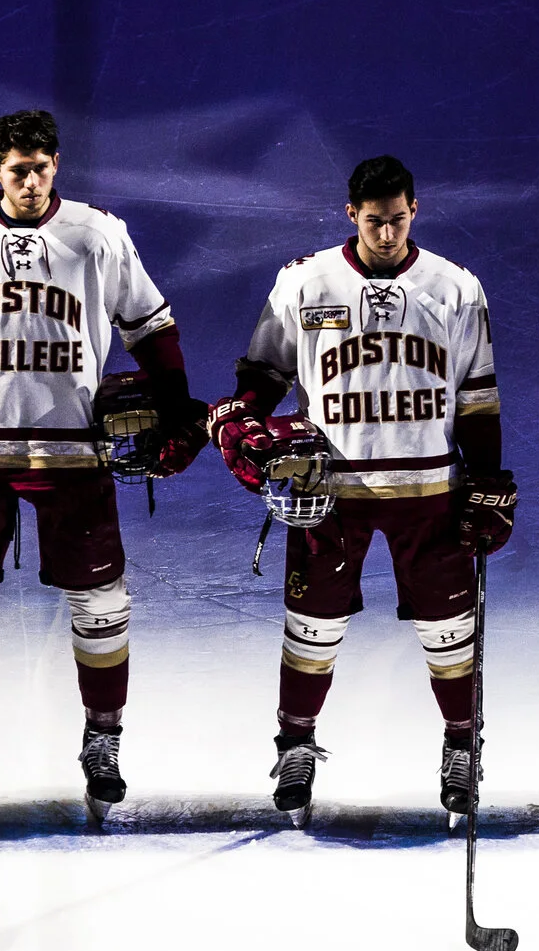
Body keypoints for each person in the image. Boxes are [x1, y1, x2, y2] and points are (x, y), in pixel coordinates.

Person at [0, 108, 207, 820]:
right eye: (17, 168)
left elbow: (151, 325)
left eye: (42, 167)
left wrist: (179, 407)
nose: (31, 181)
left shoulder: (97, 234)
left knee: (103, 603)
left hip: (71, 450)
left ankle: (102, 738)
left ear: (57, 165)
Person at [210, 154, 514, 825]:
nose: (386, 233)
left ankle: (462, 744)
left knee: (449, 631)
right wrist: (241, 416)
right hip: (331, 489)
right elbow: (263, 375)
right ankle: (295, 745)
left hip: (430, 485)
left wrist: (488, 479)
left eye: (398, 219)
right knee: (312, 629)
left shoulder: (457, 287)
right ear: (351, 213)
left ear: (416, 210)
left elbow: (478, 398)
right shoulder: (303, 281)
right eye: (374, 220)